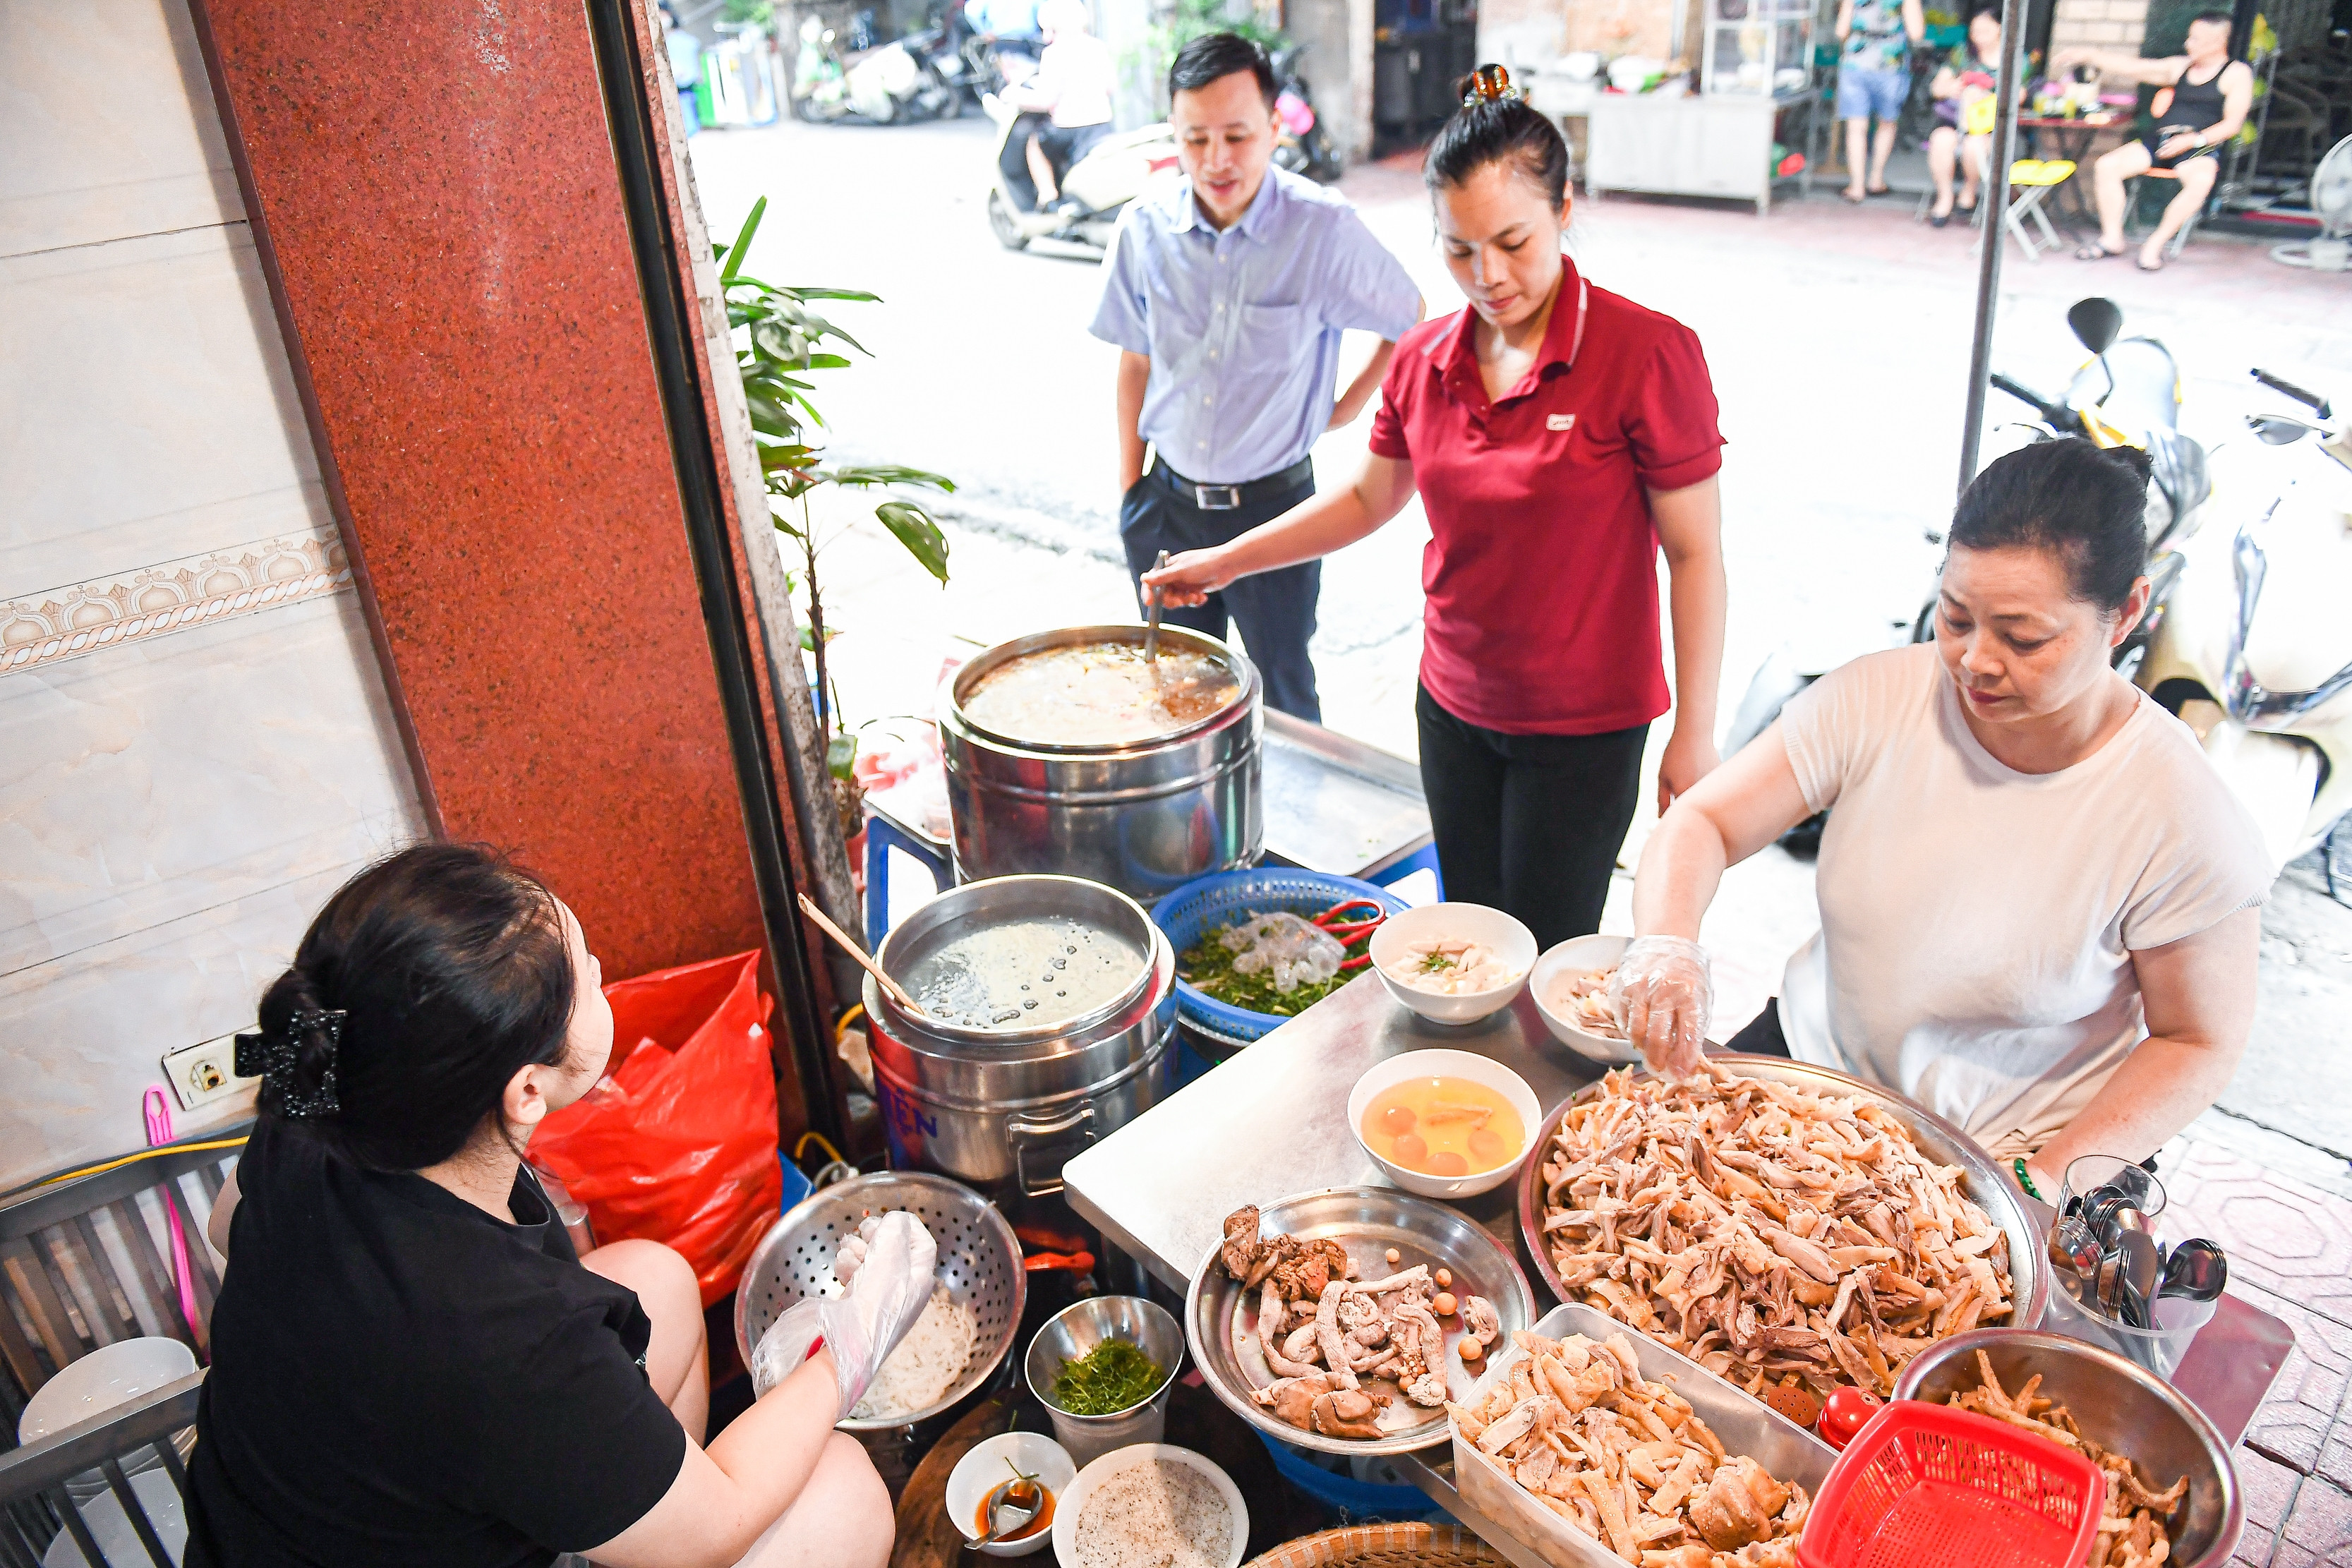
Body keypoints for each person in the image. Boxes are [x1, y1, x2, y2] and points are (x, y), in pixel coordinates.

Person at [186, 844, 930, 1568]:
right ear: (527, 1090)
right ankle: (653, 1525)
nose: (601, 970)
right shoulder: (500, 1335)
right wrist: (855, 1333)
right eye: (590, 980)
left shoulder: (327, 1092)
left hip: (288, 1522)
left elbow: (227, 1225)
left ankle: (631, 1520)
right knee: (844, 1493)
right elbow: (724, 1520)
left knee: (657, 1279)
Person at [1145, 68, 1728, 946]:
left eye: (1513, 241)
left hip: (1583, 729)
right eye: (1459, 249)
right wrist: (1223, 560)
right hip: (1453, 707)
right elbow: (1370, 496)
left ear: (1564, 208)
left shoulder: (1647, 353)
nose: (1488, 275)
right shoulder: (1425, 359)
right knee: (1469, 942)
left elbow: (1696, 554)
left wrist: (1696, 729)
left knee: (1545, 952)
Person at [1612, 439, 2270, 1197]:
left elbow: (2198, 1037)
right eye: (1956, 618)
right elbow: (1703, 822)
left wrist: (2046, 1179)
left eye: (2023, 637)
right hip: (1815, 1076)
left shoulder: (2182, 814)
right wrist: (1666, 944)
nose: (1973, 661)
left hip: (2011, 1149)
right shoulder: (1879, 697)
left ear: (2125, 612)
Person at [1092, 31, 1423, 721]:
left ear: (1276, 127)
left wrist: (1348, 406)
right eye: (1196, 139)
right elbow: (1135, 359)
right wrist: (1131, 492)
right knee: (1177, 695)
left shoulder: (1321, 231)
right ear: (1174, 137)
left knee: (1284, 695)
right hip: (1166, 506)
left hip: (1277, 510)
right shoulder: (1144, 229)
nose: (1216, 160)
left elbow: (1409, 315)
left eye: (1237, 136)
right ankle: (1196, 831)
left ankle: (1286, 835)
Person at [2058, 12, 2252, 270]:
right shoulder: (2181, 67)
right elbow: (2135, 67)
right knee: (2108, 165)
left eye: (2196, 39)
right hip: (2162, 138)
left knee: (2201, 181)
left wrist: (2194, 140)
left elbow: (2232, 125)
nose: (2188, 44)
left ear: (2218, 42)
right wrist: (2090, 56)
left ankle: (2155, 245)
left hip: (2199, 144)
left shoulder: (2236, 74)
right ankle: (2112, 238)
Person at [997, 0, 1114, 212]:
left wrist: (1013, 94)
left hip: (1069, 130)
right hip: (1102, 125)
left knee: (1035, 143)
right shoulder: (1098, 46)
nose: (1044, 37)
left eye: (1047, 30)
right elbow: (1110, 87)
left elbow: (1045, 100)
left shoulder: (1053, 54)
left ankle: (1048, 194)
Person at [1833, 0, 1925, 202]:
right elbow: (1917, 32)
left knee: (1856, 127)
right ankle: (1876, 180)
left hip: (1856, 63)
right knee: (1887, 122)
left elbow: (1841, 31)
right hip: (1890, 64)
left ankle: (1856, 187)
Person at [1925, 8, 2006, 225]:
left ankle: (1969, 192)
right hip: (1955, 121)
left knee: (1974, 146)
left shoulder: (2013, 59)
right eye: (1974, 31)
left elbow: (2020, 96)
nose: (1978, 36)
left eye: (1984, 30)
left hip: (1986, 127)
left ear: (1999, 28)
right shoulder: (1963, 53)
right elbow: (1937, 88)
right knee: (1941, 140)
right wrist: (1953, 87)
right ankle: (1945, 198)